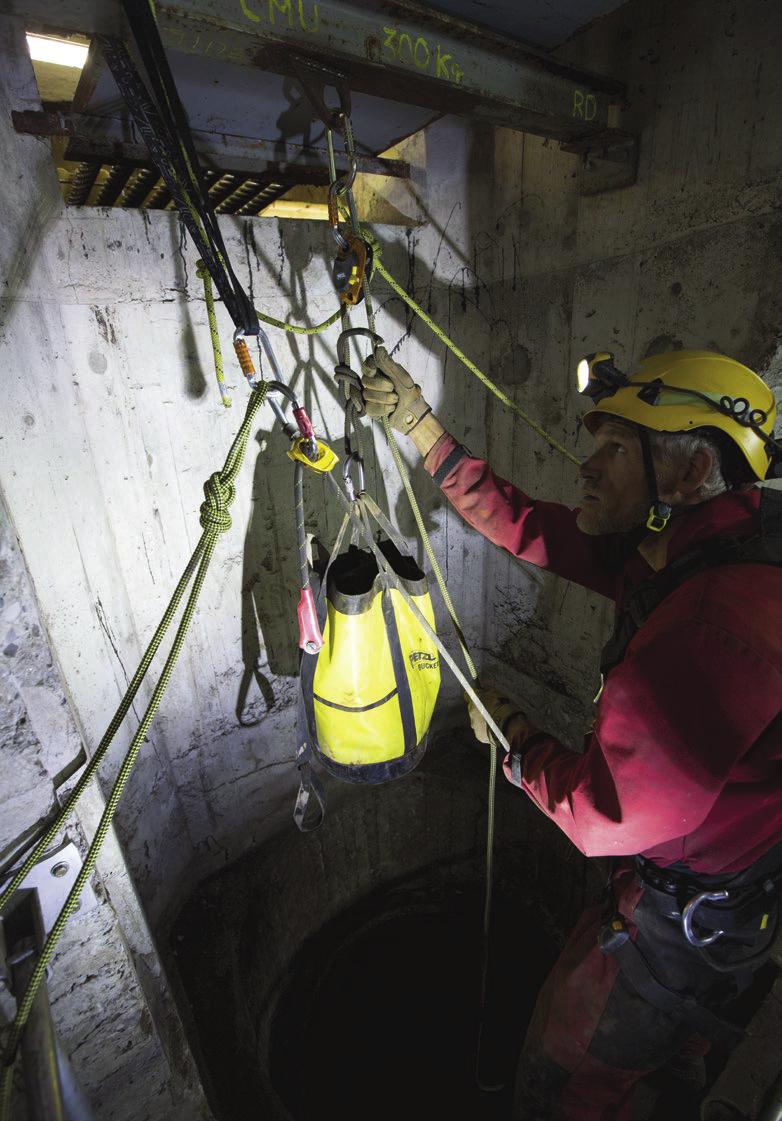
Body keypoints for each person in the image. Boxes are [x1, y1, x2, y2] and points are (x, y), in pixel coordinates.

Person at [360, 345, 782, 1120]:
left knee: (564, 1079)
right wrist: (421, 427)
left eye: (617, 450)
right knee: (668, 1079)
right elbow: (534, 529)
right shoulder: (713, 543)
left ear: (688, 473)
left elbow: (597, 816)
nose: (589, 466)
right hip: (731, 895)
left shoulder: (710, 626)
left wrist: (514, 734)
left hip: (674, 935)